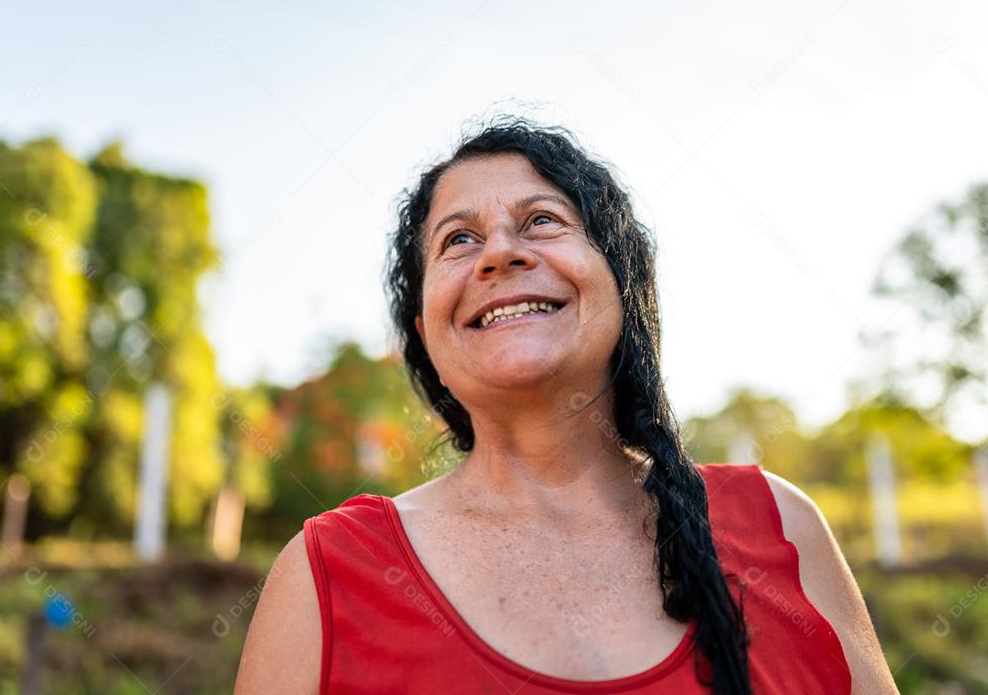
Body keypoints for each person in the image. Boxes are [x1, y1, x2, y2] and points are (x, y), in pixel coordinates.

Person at [234, 117, 899, 694]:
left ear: (622, 276)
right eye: (457, 240)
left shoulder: (782, 529)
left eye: (541, 221)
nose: (498, 252)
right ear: (423, 326)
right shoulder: (324, 579)